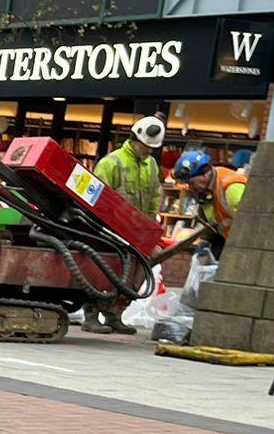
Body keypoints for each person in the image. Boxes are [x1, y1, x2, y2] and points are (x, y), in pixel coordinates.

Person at [87, 113, 167, 335]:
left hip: (138, 232)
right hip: (110, 231)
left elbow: (153, 198)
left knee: (140, 269)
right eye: (147, 146)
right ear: (134, 139)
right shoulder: (111, 163)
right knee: (102, 270)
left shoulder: (151, 165)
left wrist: (150, 228)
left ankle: (115, 314)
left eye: (153, 147)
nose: (150, 150)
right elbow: (97, 200)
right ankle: (91, 314)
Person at [172, 148, 245, 248]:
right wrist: (205, 241)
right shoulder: (205, 192)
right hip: (231, 243)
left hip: (246, 244)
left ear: (206, 174)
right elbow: (208, 222)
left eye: (192, 183)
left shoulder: (231, 188)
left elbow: (249, 224)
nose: (190, 187)